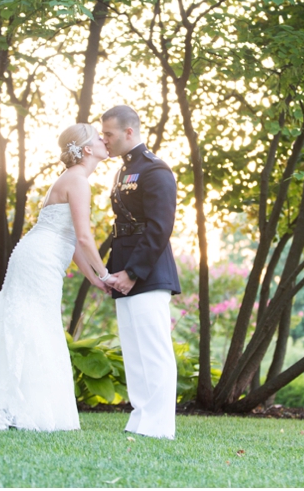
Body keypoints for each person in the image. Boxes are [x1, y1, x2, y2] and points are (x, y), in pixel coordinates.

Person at [0, 123, 113, 432]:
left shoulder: (73, 179)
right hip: (39, 259)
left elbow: (70, 239)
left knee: (36, 321)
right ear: (87, 150)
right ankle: (20, 407)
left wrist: (93, 279)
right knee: (34, 323)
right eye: (99, 137)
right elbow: (83, 237)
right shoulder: (78, 181)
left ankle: (19, 403)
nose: (105, 140)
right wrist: (105, 272)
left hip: (39, 255)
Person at [100, 105, 181, 439]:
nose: (105, 140)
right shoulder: (123, 172)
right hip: (125, 269)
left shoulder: (155, 170)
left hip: (148, 272)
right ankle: (142, 417)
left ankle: (160, 425)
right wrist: (109, 271)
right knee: (134, 352)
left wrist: (132, 272)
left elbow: (160, 228)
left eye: (109, 134)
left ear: (129, 132)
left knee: (153, 349)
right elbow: (123, 227)